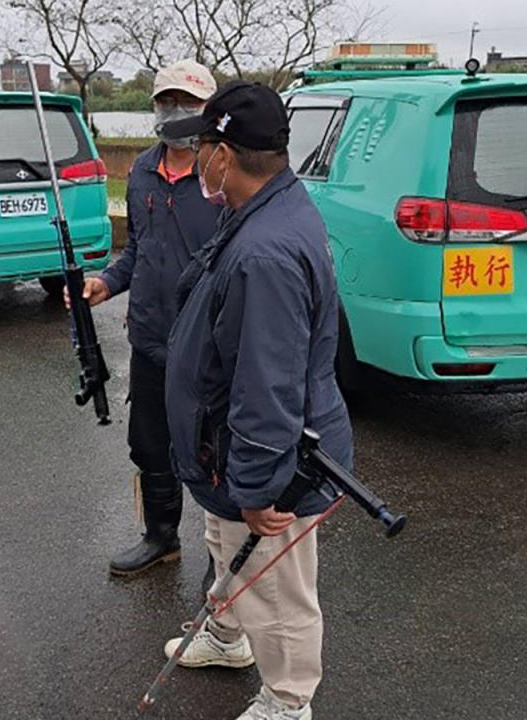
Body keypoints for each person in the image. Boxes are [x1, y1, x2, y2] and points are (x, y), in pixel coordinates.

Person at [159, 81, 354, 720]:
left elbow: (268, 389)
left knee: (275, 584)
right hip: (227, 448)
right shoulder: (263, 209)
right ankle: (226, 635)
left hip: (269, 461)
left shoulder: (265, 250)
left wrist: (257, 486)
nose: (198, 163)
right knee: (226, 546)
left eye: (204, 148)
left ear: (223, 153)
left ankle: (288, 701)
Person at [70, 60, 221, 576]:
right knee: (150, 444)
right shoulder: (140, 170)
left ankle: (222, 558)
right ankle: (162, 536)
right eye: (166, 101)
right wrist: (105, 283)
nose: (175, 111)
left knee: (211, 450)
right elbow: (138, 248)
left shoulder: (222, 177)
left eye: (188, 103)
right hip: (151, 339)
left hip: (206, 346)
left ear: (207, 110)